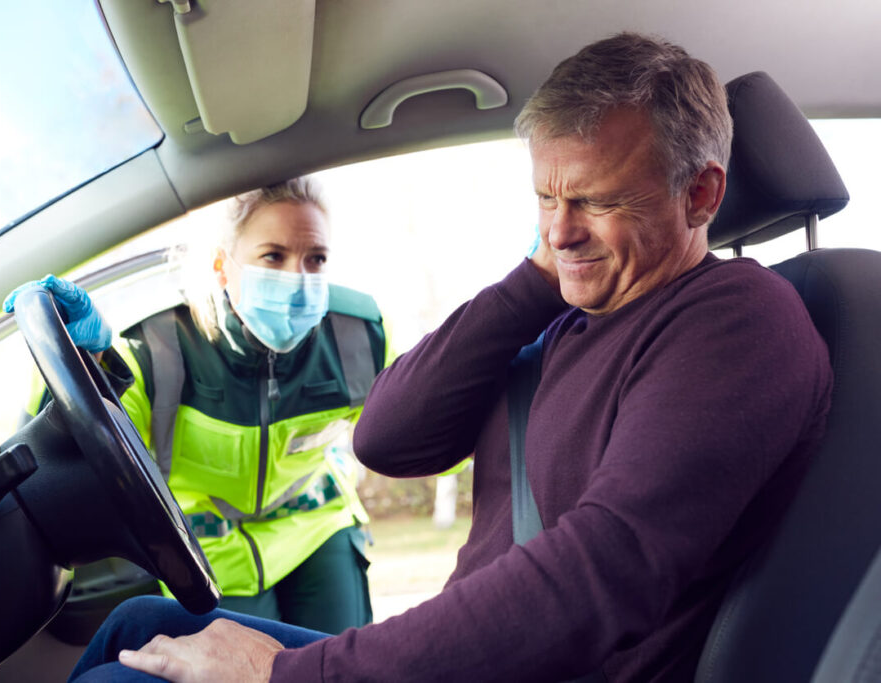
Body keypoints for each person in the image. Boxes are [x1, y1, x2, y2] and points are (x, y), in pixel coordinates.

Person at [67, 32, 833, 682]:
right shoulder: (568, 312)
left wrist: (288, 673)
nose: (561, 231)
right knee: (136, 624)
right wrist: (534, 282)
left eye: (596, 201)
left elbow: (606, 570)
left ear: (700, 197)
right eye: (545, 198)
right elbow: (389, 439)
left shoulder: (736, 322)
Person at [6, 177, 389, 635]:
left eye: (316, 259)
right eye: (273, 256)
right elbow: (74, 442)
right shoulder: (156, 346)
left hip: (317, 528)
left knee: (342, 662)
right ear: (223, 266)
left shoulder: (359, 335)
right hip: (213, 552)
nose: (298, 278)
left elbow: (417, 431)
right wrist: (85, 357)